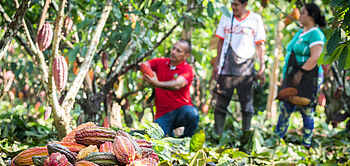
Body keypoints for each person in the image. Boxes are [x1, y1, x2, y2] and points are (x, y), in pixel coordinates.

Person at [212, 0, 266, 140]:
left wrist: (262, 66)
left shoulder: (255, 19)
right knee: (221, 104)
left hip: (246, 69)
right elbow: (220, 41)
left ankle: (246, 136)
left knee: (247, 105)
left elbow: (260, 45)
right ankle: (217, 134)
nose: (233, 7)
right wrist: (216, 64)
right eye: (232, 4)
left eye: (236, 4)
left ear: (245, 4)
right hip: (226, 68)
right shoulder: (226, 16)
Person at [275, 3, 326, 148]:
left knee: (306, 108)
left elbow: (315, 57)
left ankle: (307, 144)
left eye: (303, 13)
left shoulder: (316, 34)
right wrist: (286, 76)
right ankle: (277, 140)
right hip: (293, 76)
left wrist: (301, 73)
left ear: (312, 16)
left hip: (309, 77)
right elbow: (290, 55)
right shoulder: (300, 33)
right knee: (285, 107)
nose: (300, 15)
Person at [141, 39, 199, 138]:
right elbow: (144, 64)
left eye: (178, 51)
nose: (173, 52)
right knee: (155, 137)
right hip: (163, 114)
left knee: (192, 114)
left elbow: (177, 84)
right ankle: (169, 134)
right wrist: (149, 73)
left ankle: (186, 139)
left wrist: (156, 83)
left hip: (181, 111)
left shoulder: (188, 70)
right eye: (173, 48)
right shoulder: (160, 62)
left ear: (186, 56)